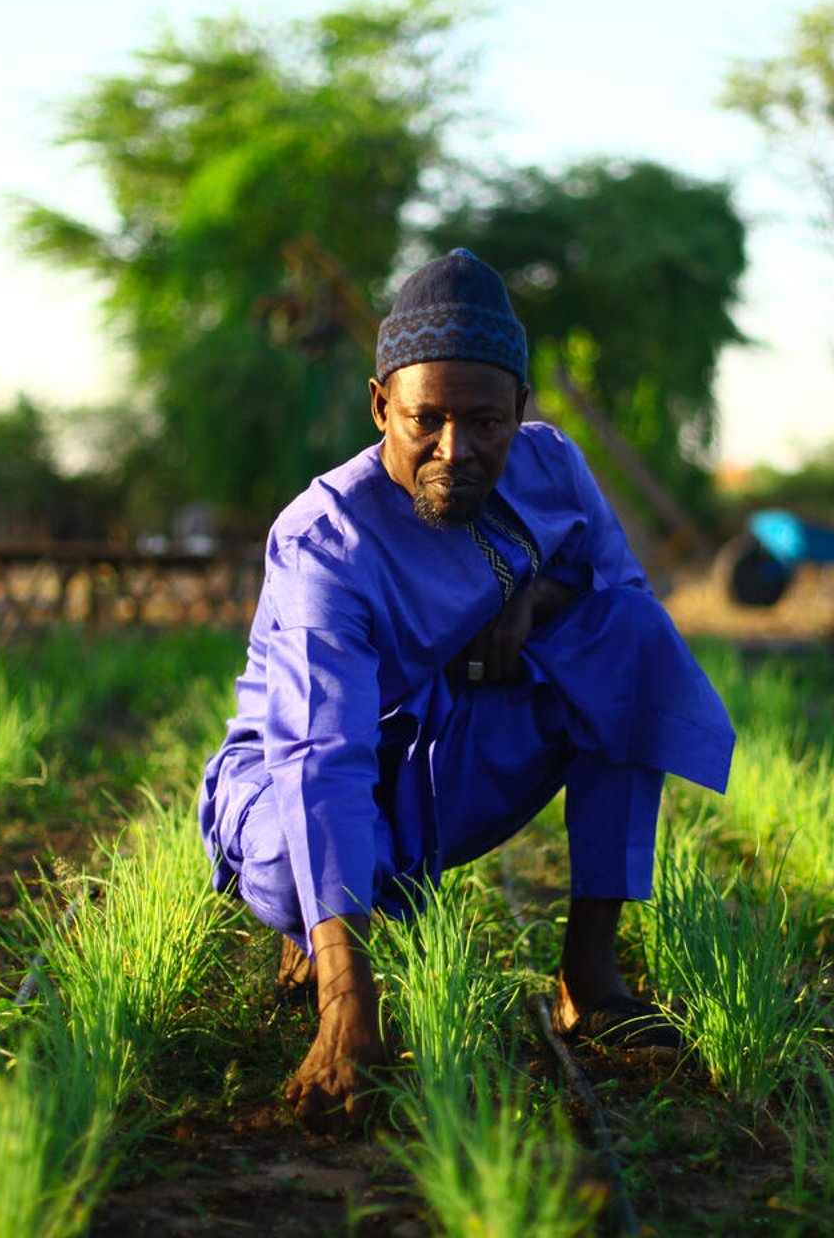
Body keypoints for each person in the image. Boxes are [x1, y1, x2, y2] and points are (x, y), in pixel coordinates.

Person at [197, 248, 736, 1135]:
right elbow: (318, 757)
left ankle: (589, 981)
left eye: (485, 422)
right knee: (309, 870)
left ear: (520, 412)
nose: (456, 449)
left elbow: (628, 600)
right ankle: (321, 938)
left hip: (440, 750)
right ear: (381, 407)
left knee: (629, 648)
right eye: (427, 420)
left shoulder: (552, 469)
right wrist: (348, 1008)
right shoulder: (326, 542)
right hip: (292, 782)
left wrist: (537, 597)